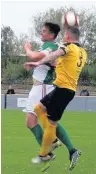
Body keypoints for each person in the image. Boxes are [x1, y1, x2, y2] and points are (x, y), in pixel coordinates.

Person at [28, 26, 87, 170]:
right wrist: (56, 63)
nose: (63, 37)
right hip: (65, 89)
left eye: (65, 34)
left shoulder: (68, 46)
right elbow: (66, 64)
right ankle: (54, 141)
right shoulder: (83, 52)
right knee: (38, 108)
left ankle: (45, 154)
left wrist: (38, 62)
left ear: (68, 36)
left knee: (51, 123)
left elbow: (57, 54)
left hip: (63, 89)